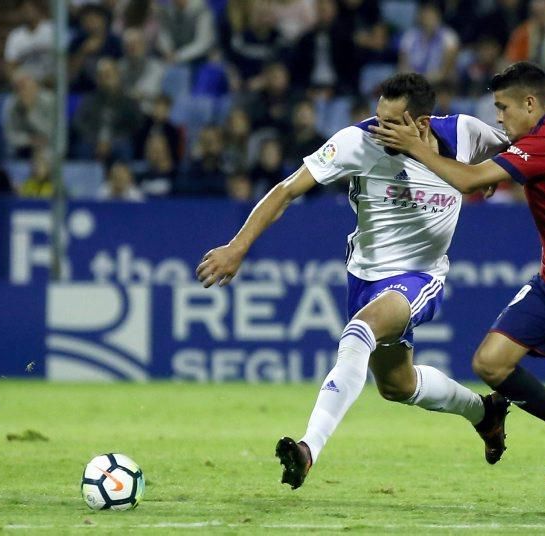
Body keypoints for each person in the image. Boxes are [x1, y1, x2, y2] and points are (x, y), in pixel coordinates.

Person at [195, 73, 510, 490]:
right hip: (364, 277)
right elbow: (286, 191)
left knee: (359, 332)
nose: (377, 127)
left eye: (390, 122)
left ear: (421, 124)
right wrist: (238, 246)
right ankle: (484, 413)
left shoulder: (466, 133)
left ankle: (308, 449)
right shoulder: (357, 142)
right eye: (376, 116)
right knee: (398, 385)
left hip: (420, 276)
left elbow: (522, 152)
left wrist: (494, 174)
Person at [371, 62, 545, 520]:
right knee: (490, 362)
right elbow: (487, 172)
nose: (498, 117)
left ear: (529, 103)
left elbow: (467, 182)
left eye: (502, 108)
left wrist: (414, 147)